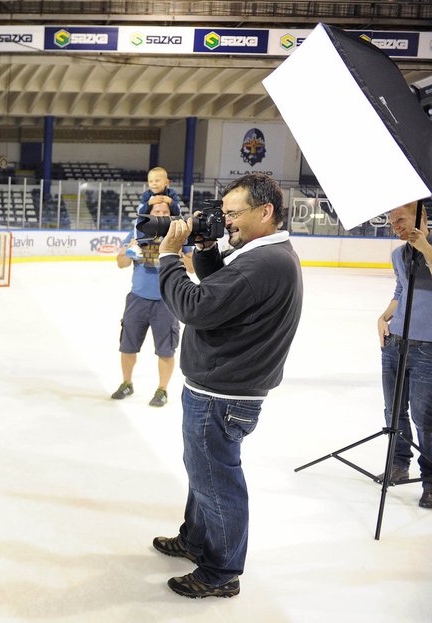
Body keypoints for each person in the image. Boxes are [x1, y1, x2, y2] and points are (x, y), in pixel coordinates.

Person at [153, 173, 303, 598]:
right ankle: (196, 540)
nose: (227, 222)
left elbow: (196, 306)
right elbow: (223, 292)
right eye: (224, 214)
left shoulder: (262, 263)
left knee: (217, 482)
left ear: (265, 211)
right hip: (222, 389)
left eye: (233, 214)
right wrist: (203, 250)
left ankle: (220, 571)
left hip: (222, 396)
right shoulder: (266, 255)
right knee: (204, 476)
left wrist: (168, 258)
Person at [376, 200, 432, 507]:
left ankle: (430, 479)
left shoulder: (427, 250)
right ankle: (398, 462)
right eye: (392, 222)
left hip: (427, 347)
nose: (396, 226)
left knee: (426, 417)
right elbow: (401, 290)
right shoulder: (398, 255)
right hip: (395, 343)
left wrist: (424, 246)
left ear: (421, 215)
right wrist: (384, 317)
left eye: (401, 219)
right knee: (393, 410)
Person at [111, 200, 193, 407]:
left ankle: (162, 389)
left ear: (170, 215)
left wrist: (179, 254)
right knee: (127, 346)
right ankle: (126, 383)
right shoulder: (138, 233)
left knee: (166, 349)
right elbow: (120, 264)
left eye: (164, 211)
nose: (160, 213)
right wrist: (128, 253)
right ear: (149, 213)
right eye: (156, 210)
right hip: (137, 299)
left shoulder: (178, 236)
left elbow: (192, 268)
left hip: (167, 301)